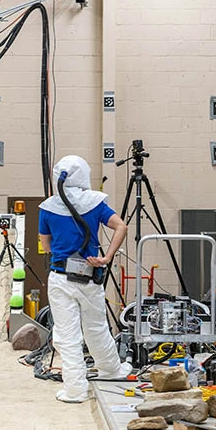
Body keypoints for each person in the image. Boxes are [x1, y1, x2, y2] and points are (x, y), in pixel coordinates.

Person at [38, 155, 132, 403]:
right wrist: (106, 258)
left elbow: (45, 244)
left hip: (61, 276)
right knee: (96, 327)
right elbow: (121, 227)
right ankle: (111, 370)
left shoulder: (48, 207)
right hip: (90, 276)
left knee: (67, 335)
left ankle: (75, 389)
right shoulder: (95, 203)